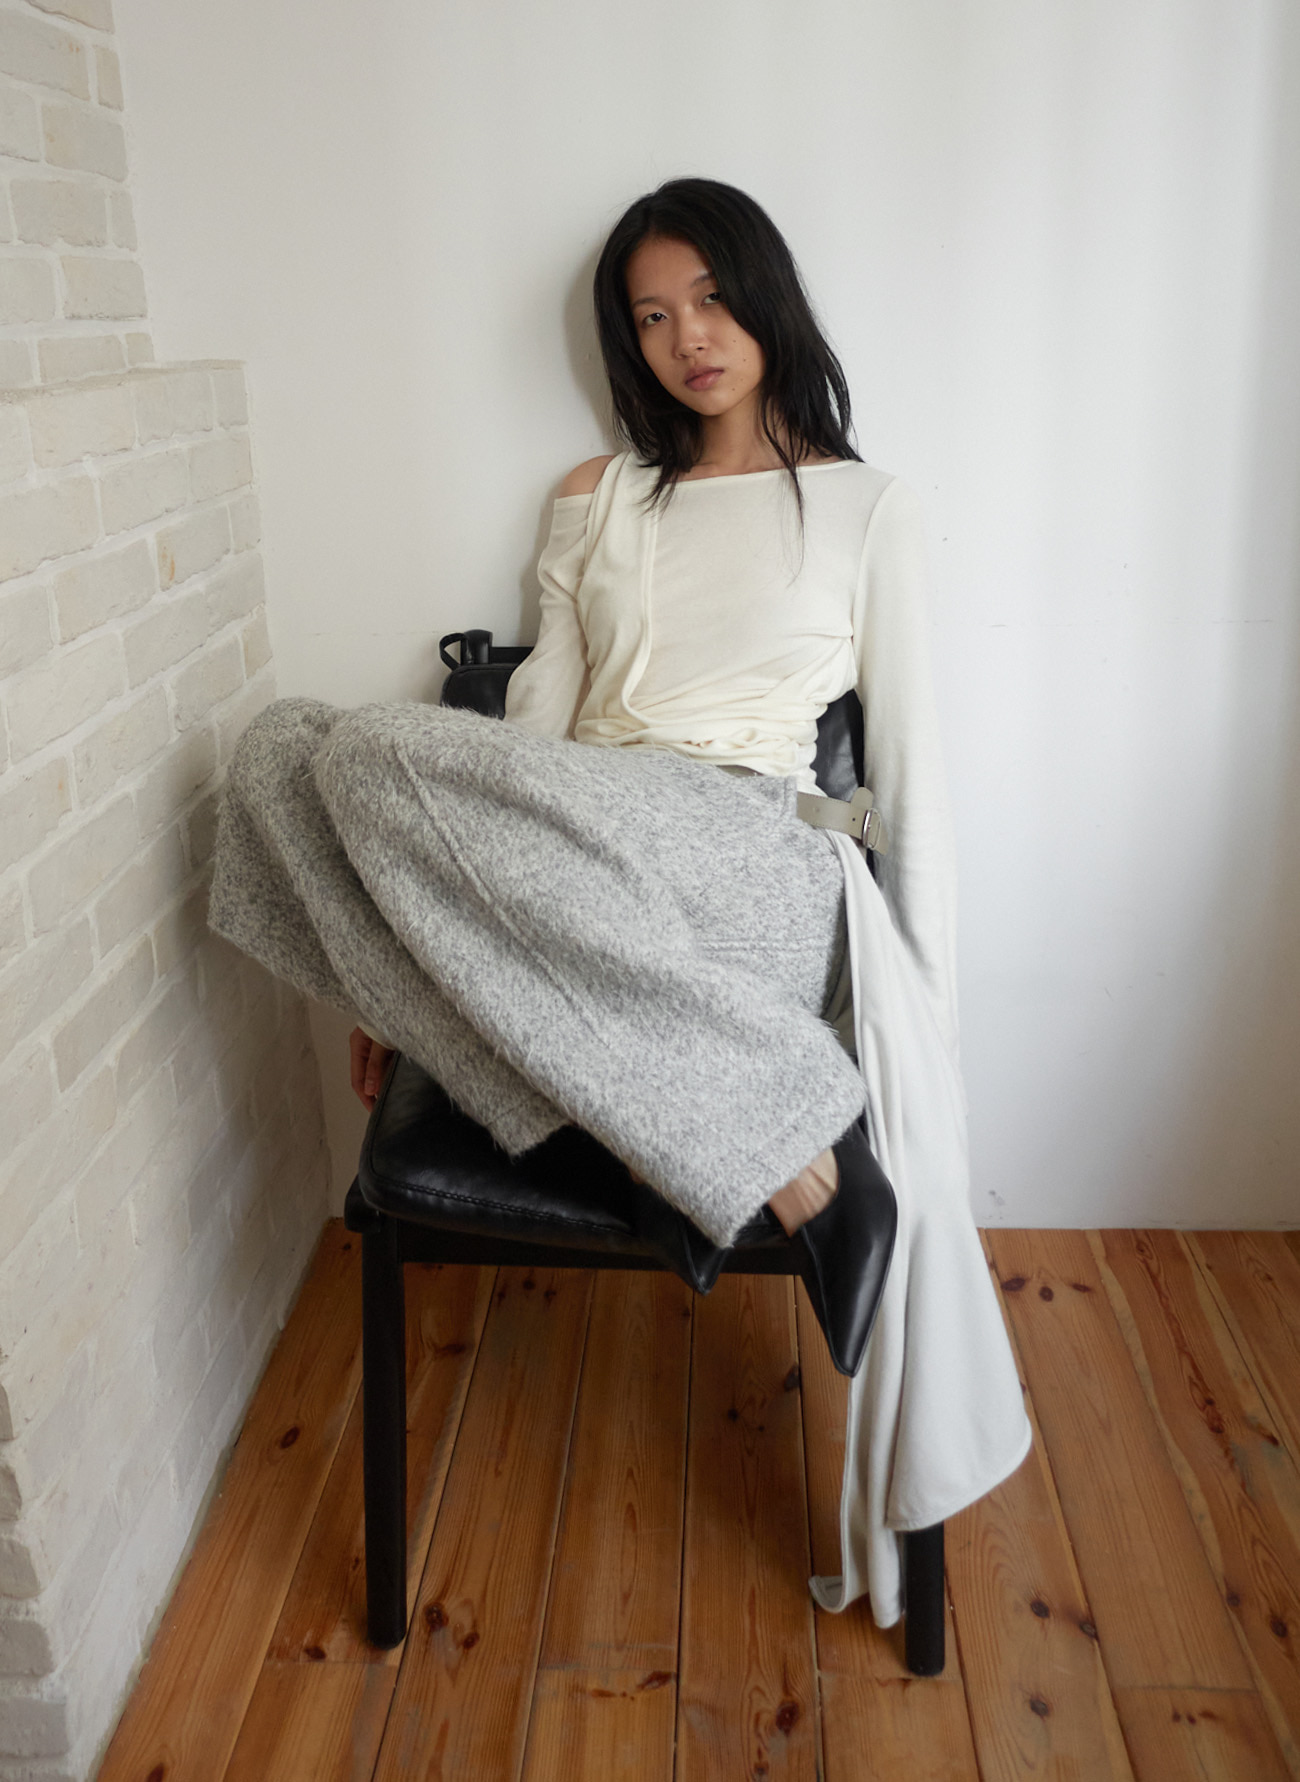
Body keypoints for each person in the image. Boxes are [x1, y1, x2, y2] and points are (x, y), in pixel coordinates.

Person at [210, 178, 1029, 1623]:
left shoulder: (869, 506)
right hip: (592, 846)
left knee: (377, 747)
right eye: (651, 318)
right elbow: (535, 740)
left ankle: (767, 1139)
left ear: (765, 296)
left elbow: (915, 786)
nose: (687, 339)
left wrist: (928, 1033)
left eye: (708, 299)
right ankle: (742, 1147)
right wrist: (397, 956)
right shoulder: (598, 498)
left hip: (759, 859)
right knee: (280, 748)